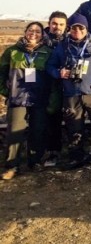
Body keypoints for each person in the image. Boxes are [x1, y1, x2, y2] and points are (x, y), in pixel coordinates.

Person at [46, 13, 91, 171]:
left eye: (81, 27)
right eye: (74, 28)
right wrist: (59, 73)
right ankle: (77, 157)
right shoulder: (63, 46)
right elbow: (49, 66)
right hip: (71, 95)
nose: (77, 30)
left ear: (86, 29)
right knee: (74, 128)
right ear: (69, 29)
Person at [0, 22, 53, 180]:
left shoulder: (47, 52)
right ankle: (12, 165)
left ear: (42, 34)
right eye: (31, 30)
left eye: (38, 31)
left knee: (38, 130)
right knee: (15, 132)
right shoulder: (12, 52)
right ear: (25, 32)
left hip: (39, 98)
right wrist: (6, 92)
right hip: (18, 99)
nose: (33, 33)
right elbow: (1, 74)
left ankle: (35, 161)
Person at [42, 11, 68, 167]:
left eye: (61, 24)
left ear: (66, 26)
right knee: (52, 119)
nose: (57, 27)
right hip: (48, 86)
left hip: (69, 86)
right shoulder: (40, 41)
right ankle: (52, 152)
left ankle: (74, 151)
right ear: (49, 24)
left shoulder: (70, 41)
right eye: (54, 23)